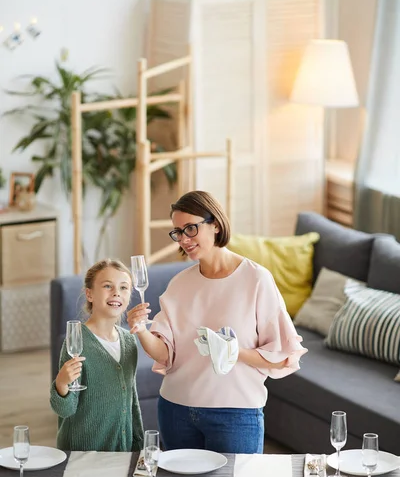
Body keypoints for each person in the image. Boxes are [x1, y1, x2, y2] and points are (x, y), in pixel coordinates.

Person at [127, 191, 307, 454]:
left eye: (191, 228)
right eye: (178, 232)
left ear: (216, 224)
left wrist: (234, 353)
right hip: (176, 410)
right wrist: (141, 330)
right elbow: (165, 353)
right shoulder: (179, 284)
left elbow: (283, 357)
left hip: (235, 414)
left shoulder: (256, 279)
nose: (184, 239)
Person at [50, 259, 144, 452]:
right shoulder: (76, 342)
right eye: (107, 286)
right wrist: (61, 384)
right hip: (83, 454)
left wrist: (138, 445)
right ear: (89, 294)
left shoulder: (128, 340)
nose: (116, 292)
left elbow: (131, 401)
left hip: (121, 453)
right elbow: (65, 410)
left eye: (124, 287)